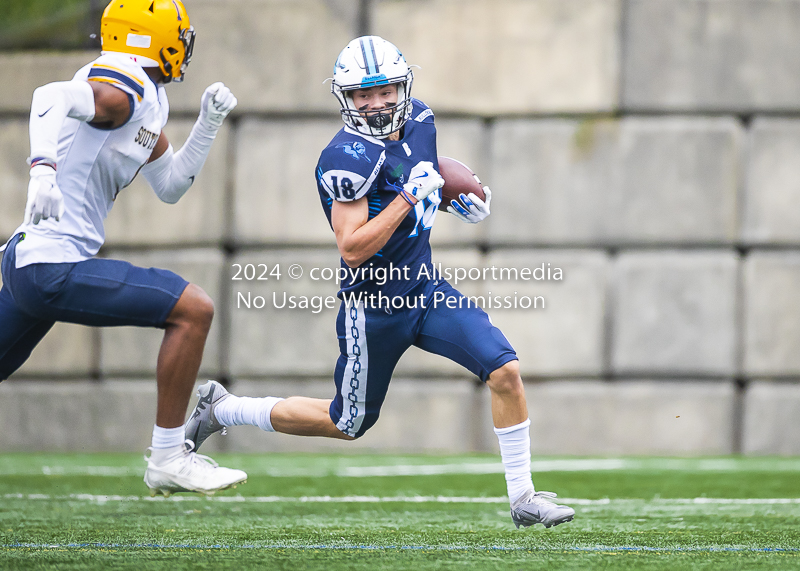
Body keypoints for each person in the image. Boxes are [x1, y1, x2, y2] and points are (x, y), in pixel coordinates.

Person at [186, 36, 574, 528]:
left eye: (385, 91)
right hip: (372, 305)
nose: (375, 104)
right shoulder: (345, 157)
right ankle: (226, 409)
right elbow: (352, 246)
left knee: (505, 371)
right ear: (344, 99)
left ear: (403, 87)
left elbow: (424, 171)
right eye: (361, 96)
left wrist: (458, 197)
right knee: (346, 424)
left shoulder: (421, 121)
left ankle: (523, 498)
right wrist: (410, 199)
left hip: (425, 288)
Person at [0, 0, 247, 497]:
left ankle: (170, 456)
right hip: (50, 263)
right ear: (152, 37)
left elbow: (171, 186)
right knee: (193, 309)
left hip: (33, 263)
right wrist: (42, 169)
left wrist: (208, 122)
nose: (186, 47)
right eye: (180, 36)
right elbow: (48, 95)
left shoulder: (146, 98)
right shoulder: (123, 84)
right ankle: (169, 455)